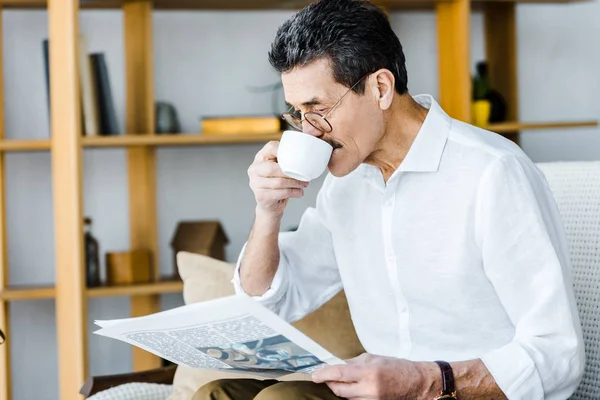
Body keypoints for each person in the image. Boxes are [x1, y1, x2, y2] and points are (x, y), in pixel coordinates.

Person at [194, 0, 585, 399]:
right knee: (218, 393)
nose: (308, 133)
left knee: (283, 399)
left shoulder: (492, 173)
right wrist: (268, 213)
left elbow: (558, 355)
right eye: (297, 113)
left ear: (380, 88)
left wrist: (426, 380)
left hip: (458, 391)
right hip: (379, 393)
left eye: (318, 109)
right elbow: (273, 302)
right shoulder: (347, 182)